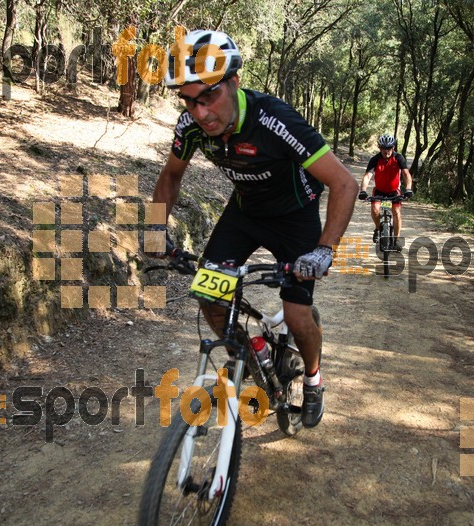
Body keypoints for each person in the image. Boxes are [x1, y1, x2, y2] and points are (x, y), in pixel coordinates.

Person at [152, 30, 358, 428]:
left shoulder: (274, 120)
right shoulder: (191, 126)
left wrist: (325, 249)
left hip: (295, 217)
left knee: (298, 315)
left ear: (234, 83)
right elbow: (171, 175)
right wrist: (154, 232)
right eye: (189, 101)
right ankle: (248, 356)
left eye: (208, 97)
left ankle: (313, 378)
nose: (200, 113)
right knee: (209, 293)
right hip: (244, 213)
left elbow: (344, 183)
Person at [358, 134, 413, 250]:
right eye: (383, 148)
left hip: (394, 191)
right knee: (375, 209)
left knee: (396, 212)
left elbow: (406, 174)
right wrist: (363, 190)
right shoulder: (375, 159)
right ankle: (378, 229)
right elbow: (367, 176)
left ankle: (396, 240)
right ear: (379, 148)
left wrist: (408, 189)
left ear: (393, 148)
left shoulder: (399, 158)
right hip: (379, 191)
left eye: (389, 148)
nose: (386, 151)